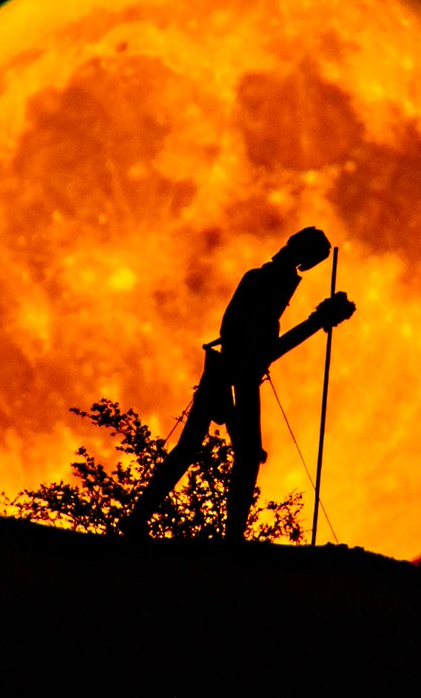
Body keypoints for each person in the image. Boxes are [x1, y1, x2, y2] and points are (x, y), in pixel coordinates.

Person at [120, 226, 355, 541]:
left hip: (235, 374)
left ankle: (146, 521)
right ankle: (218, 537)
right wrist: (318, 321)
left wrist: (318, 321)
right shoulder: (263, 284)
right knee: (222, 453)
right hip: (231, 375)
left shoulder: (261, 282)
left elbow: (260, 352)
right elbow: (255, 349)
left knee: (207, 451)